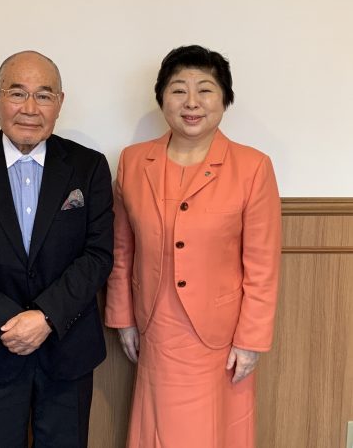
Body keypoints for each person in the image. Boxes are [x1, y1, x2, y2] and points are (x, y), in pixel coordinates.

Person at [0, 50, 113, 448]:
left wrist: (46, 317)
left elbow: (98, 254)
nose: (30, 108)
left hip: (67, 348)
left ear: (60, 103)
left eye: (43, 95)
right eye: (17, 93)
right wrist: (8, 323)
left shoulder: (89, 166)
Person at [105, 45, 281, 447]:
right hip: (155, 328)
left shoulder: (252, 167)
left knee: (211, 431)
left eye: (205, 89)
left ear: (225, 99)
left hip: (220, 338)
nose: (191, 102)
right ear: (161, 98)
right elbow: (121, 250)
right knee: (158, 428)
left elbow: (263, 264)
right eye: (178, 89)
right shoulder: (133, 162)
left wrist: (251, 340)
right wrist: (123, 317)